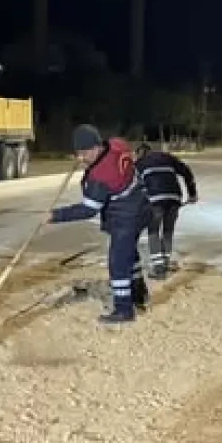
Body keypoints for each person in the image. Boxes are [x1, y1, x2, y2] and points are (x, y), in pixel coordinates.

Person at [48, 124, 149, 323]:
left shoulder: (101, 175)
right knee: (129, 252)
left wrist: (54, 216)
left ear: (96, 147)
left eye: (84, 153)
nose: (81, 158)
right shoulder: (116, 144)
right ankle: (138, 293)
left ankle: (124, 310)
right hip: (141, 204)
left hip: (126, 214)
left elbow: (88, 209)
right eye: (78, 153)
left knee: (118, 261)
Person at [134, 141, 197, 278]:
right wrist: (192, 193)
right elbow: (186, 171)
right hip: (174, 198)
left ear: (140, 153)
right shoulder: (167, 157)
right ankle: (166, 263)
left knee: (153, 231)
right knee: (168, 231)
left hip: (155, 200)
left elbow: (134, 187)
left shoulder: (139, 164)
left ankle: (159, 268)